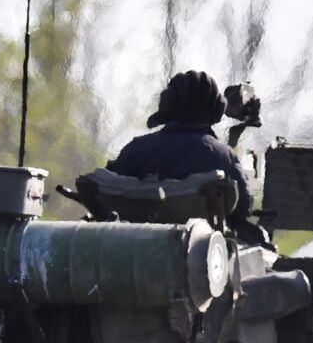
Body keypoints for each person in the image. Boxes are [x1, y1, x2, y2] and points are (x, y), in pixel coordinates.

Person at [107, 70, 253, 228]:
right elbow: (243, 207)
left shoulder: (135, 150)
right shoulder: (223, 157)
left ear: (168, 105)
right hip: (200, 250)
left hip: (131, 247)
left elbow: (107, 191)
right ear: (215, 109)